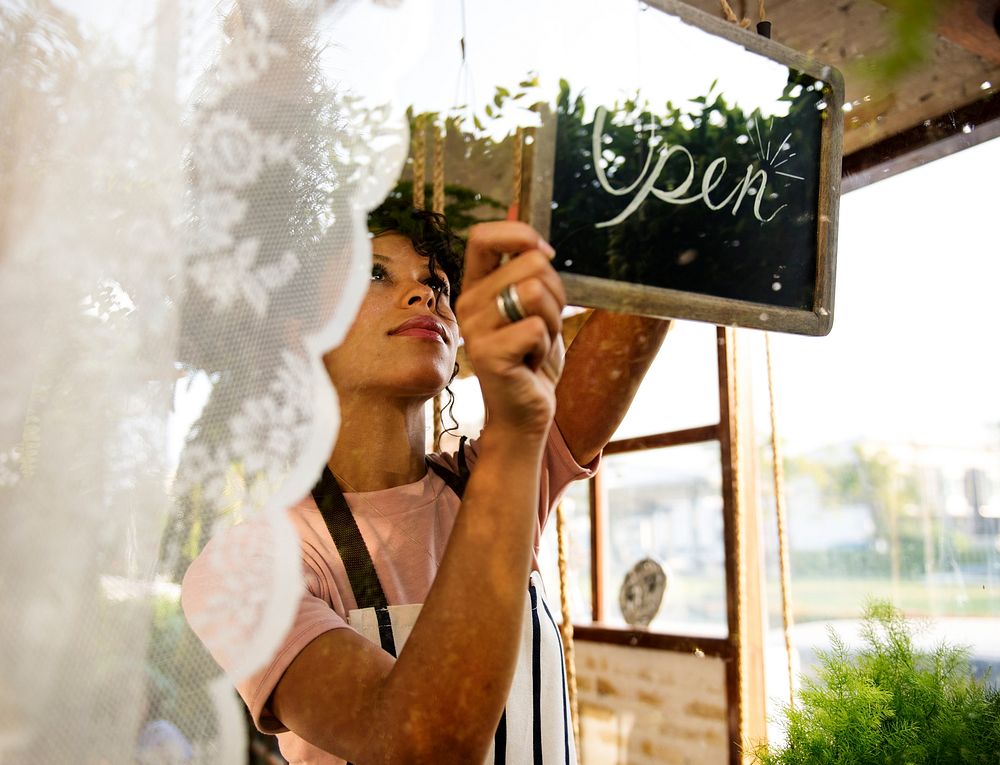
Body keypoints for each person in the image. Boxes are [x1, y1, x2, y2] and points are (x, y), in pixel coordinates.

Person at [182, 204, 670, 764]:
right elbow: (415, 745)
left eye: (436, 282)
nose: (425, 295)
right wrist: (516, 427)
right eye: (374, 273)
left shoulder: (493, 484)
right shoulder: (245, 568)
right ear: (301, 335)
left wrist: (664, 200)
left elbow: (654, 292)